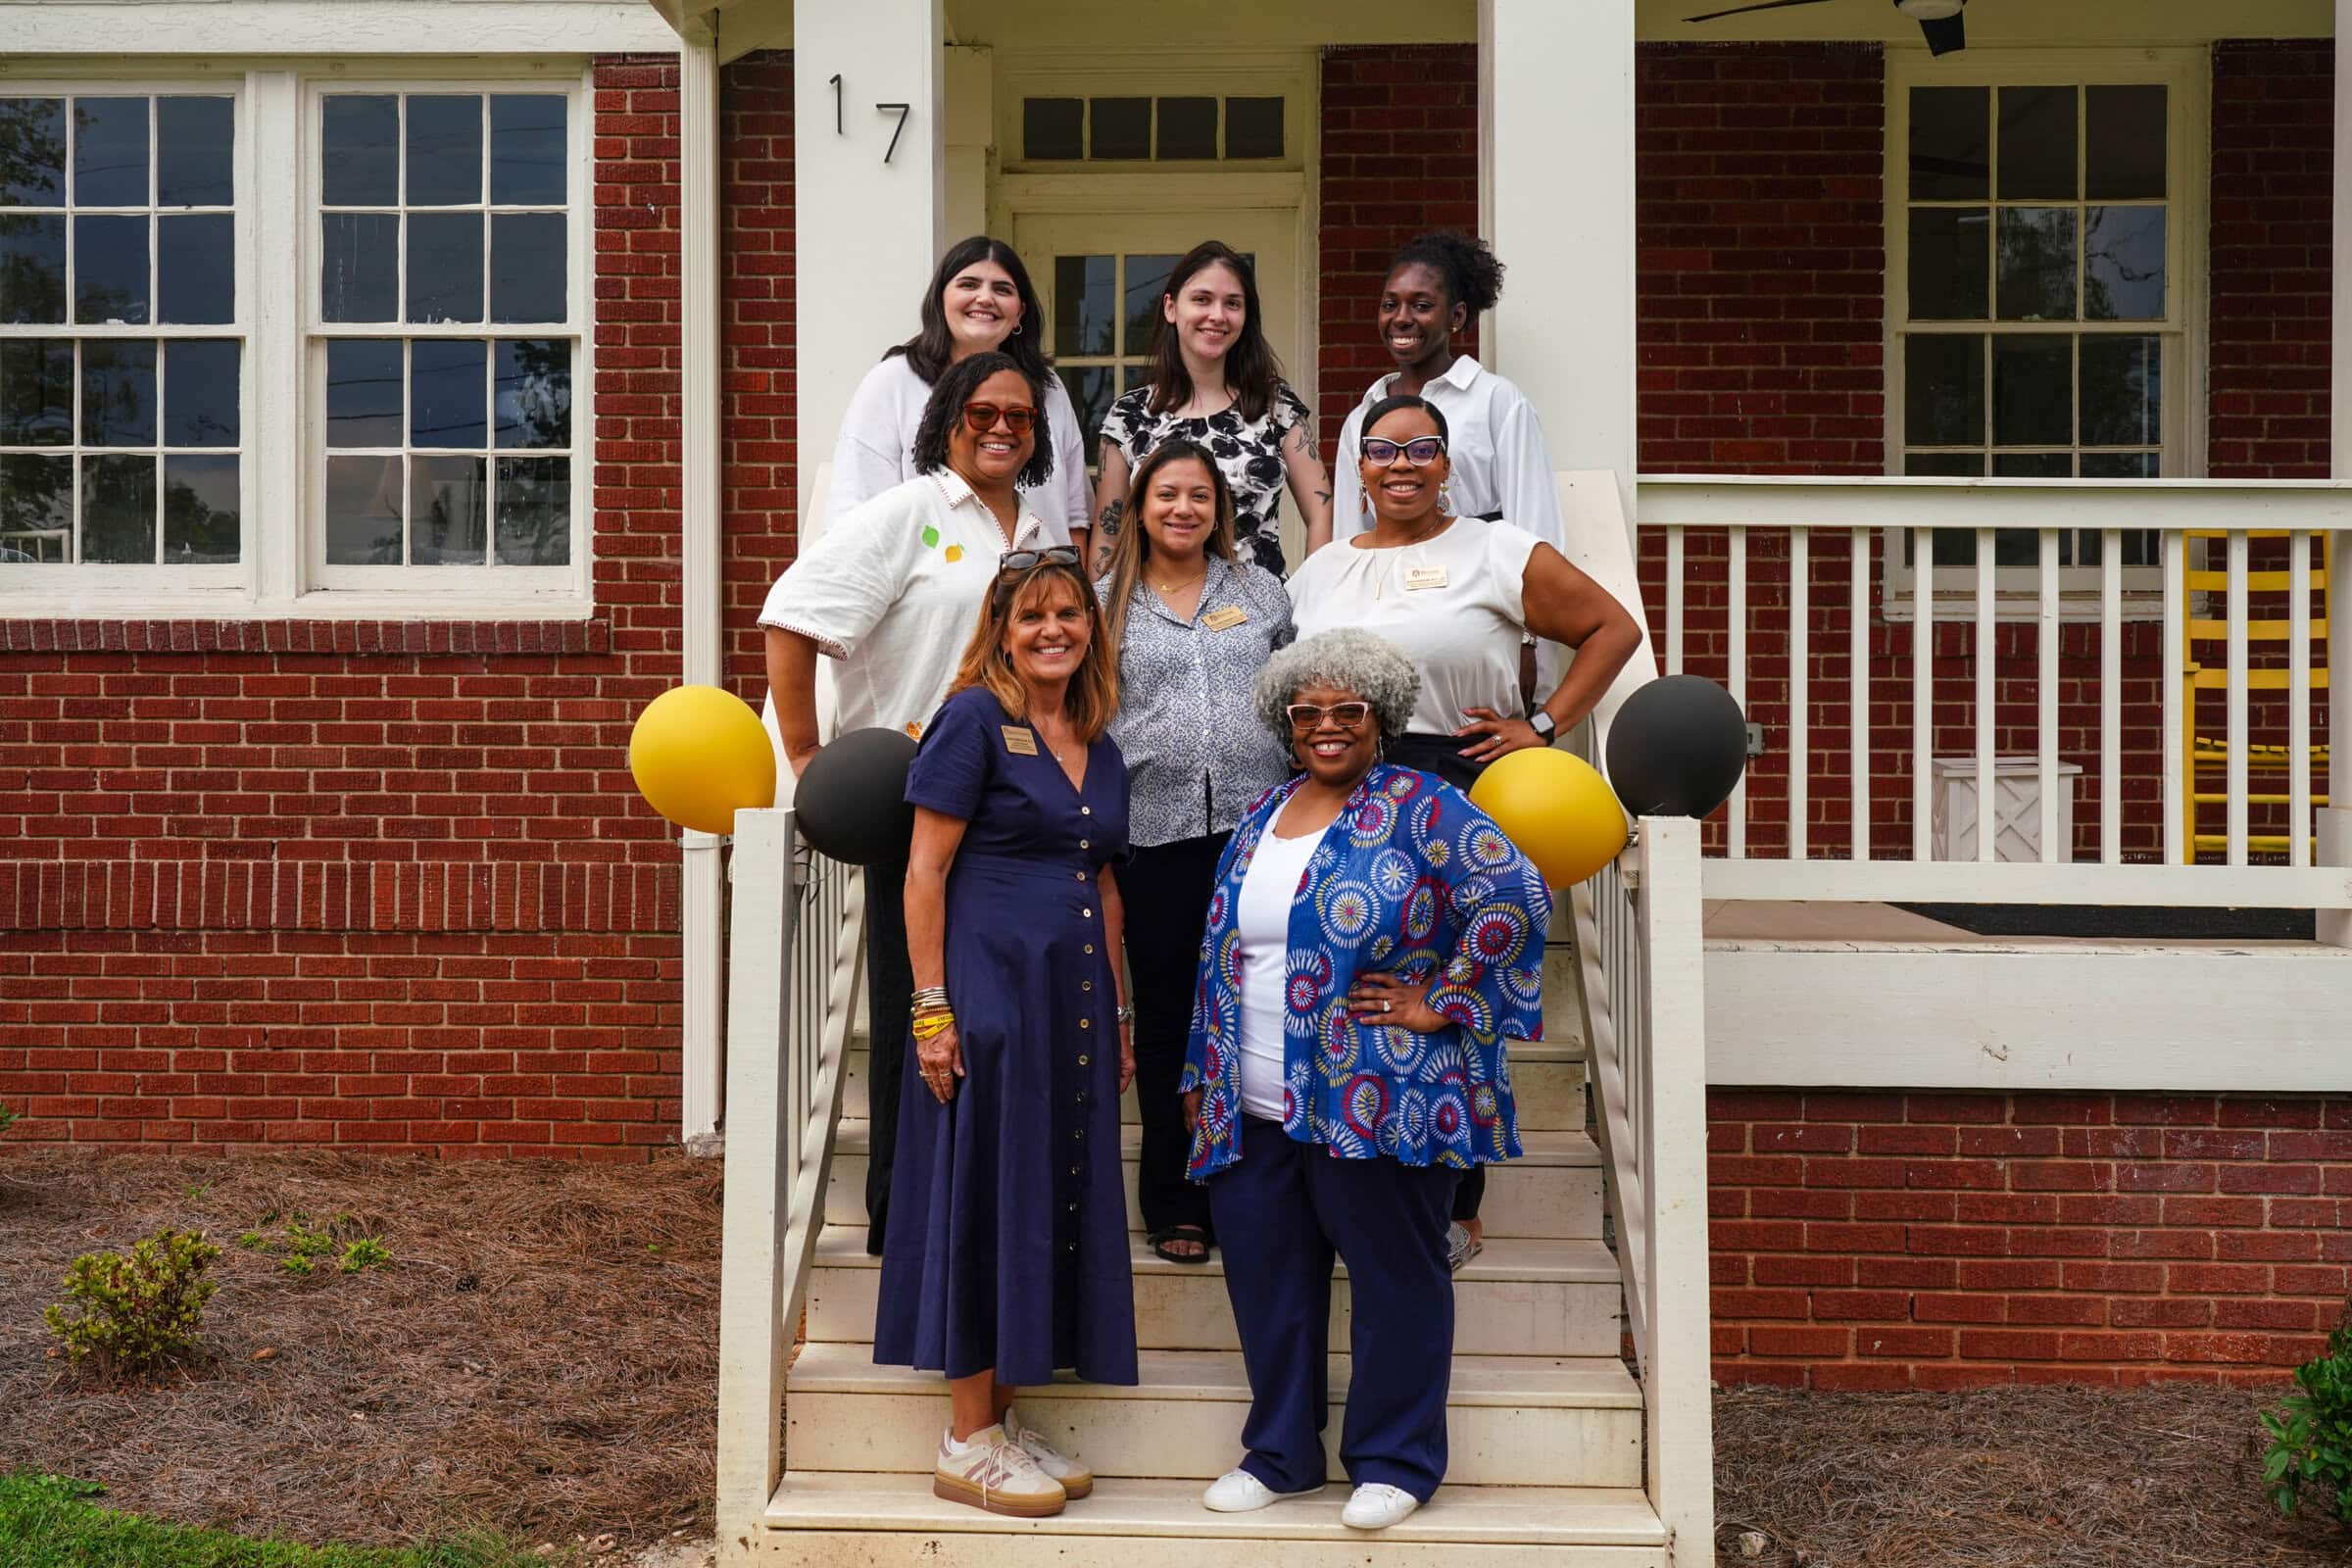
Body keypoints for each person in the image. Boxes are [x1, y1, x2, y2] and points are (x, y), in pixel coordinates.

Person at [1179, 627, 1552, 1532]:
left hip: (1379, 1094)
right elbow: (1222, 950)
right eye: (1307, 714)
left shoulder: (1427, 806)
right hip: (1255, 1096)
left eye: (1348, 711)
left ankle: (1397, 1459)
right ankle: (1281, 1453)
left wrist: (1443, 997)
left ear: (1381, 719)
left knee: (1396, 1279)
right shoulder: (1265, 814)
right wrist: (1202, 1067)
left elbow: (1517, 894)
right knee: (1270, 1284)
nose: (1327, 727)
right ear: (1287, 724)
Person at [1288, 393, 1642, 1269]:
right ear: (1359, 469)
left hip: (1453, 782)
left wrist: (1547, 723)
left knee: (1451, 988)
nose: (1400, 464)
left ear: (1449, 466)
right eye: (1381, 450)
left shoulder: (1496, 549)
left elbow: (1612, 627)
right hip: (1343, 782)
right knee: (1356, 983)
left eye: (1421, 450)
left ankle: (1458, 1203)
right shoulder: (1322, 568)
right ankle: (1352, 1167)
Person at [758, 350, 1070, 1257]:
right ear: (948, 423)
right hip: (919, 797)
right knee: (912, 1006)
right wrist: (811, 754)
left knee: (992, 1011)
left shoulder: (1040, 529)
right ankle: (904, 1216)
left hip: (1014, 802)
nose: (1004, 427)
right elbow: (792, 613)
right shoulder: (911, 513)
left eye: (1019, 415)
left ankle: (983, 1200)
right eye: (984, 413)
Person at [875, 545, 1137, 1519]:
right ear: (1001, 628)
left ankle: (1003, 1415)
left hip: (1070, 998)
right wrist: (932, 1008)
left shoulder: (1098, 741)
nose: (1053, 631)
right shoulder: (972, 721)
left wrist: (1116, 1014)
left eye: (1069, 614)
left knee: (1048, 1193)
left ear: (1091, 628)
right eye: (1032, 617)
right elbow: (923, 873)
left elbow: (1103, 882)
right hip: (988, 995)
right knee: (988, 1192)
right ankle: (963, 1436)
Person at [1097, 438, 1295, 1264]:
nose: (1184, 509)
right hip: (1153, 834)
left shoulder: (1262, 593)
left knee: (1260, 1007)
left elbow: (1296, 698)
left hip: (1259, 835)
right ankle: (1175, 1197)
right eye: (1167, 494)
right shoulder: (1104, 600)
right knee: (1175, 1013)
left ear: (1223, 509)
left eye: (1200, 497)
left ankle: (1258, 1185)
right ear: (1141, 506)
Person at [826, 235, 1092, 545]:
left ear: (1019, 312)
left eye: (1002, 289)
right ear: (940, 299)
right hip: (930, 589)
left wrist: (1073, 589)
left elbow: (1075, 517)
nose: (985, 298)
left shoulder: (1049, 388)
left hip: (1042, 586)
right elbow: (856, 513)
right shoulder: (892, 382)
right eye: (968, 285)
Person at [1090, 240, 1331, 578]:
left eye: (1232, 303)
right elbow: (1108, 536)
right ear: (1171, 308)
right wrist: (1105, 621)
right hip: (1157, 615)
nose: (1217, 316)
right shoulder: (1128, 416)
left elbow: (1321, 512)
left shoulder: (1277, 406)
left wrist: (1311, 599)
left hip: (1261, 616)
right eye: (1202, 299)